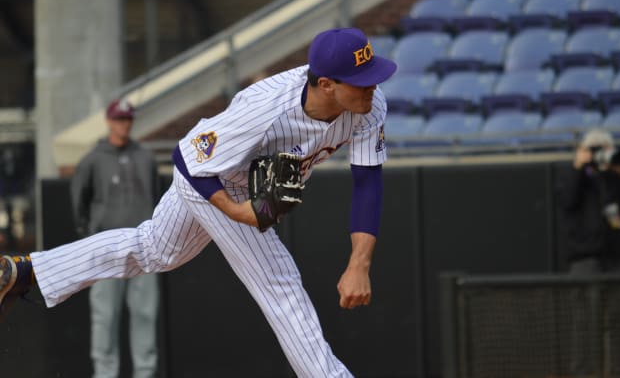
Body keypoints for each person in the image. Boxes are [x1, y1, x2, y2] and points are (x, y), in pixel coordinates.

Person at [0, 27, 397, 377]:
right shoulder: (264, 109)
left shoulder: (368, 106)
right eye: (361, 81)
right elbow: (187, 161)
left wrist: (359, 263)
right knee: (280, 282)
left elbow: (367, 182)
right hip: (212, 178)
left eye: (372, 76)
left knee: (153, 249)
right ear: (326, 84)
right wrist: (236, 211)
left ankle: (26, 271)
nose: (372, 87)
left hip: (235, 178)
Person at [71, 98, 160, 378]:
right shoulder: (92, 160)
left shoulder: (145, 158)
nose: (125, 124)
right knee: (105, 316)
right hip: (107, 249)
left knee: (145, 313)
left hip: (143, 246)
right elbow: (79, 202)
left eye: (128, 119)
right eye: (120, 119)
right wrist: (89, 236)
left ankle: (145, 372)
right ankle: (104, 373)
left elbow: (156, 196)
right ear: (109, 121)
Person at [560, 128, 620, 377]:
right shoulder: (575, 177)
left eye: (604, 149)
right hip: (585, 257)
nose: (600, 154)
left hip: (619, 258)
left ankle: (619, 373)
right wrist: (579, 167)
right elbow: (567, 200)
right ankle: (583, 373)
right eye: (594, 149)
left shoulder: (616, 178)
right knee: (584, 321)